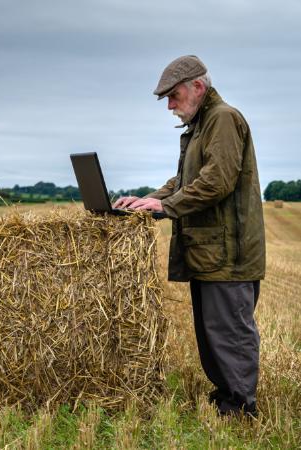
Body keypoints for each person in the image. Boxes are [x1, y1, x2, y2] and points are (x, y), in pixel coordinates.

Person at [113, 55, 265, 417]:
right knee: (213, 331)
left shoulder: (223, 119)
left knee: (230, 332)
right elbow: (183, 182)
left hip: (229, 251)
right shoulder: (201, 125)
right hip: (210, 251)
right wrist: (150, 198)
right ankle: (227, 392)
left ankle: (241, 406)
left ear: (198, 87)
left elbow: (217, 181)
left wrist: (167, 208)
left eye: (173, 95)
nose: (169, 105)